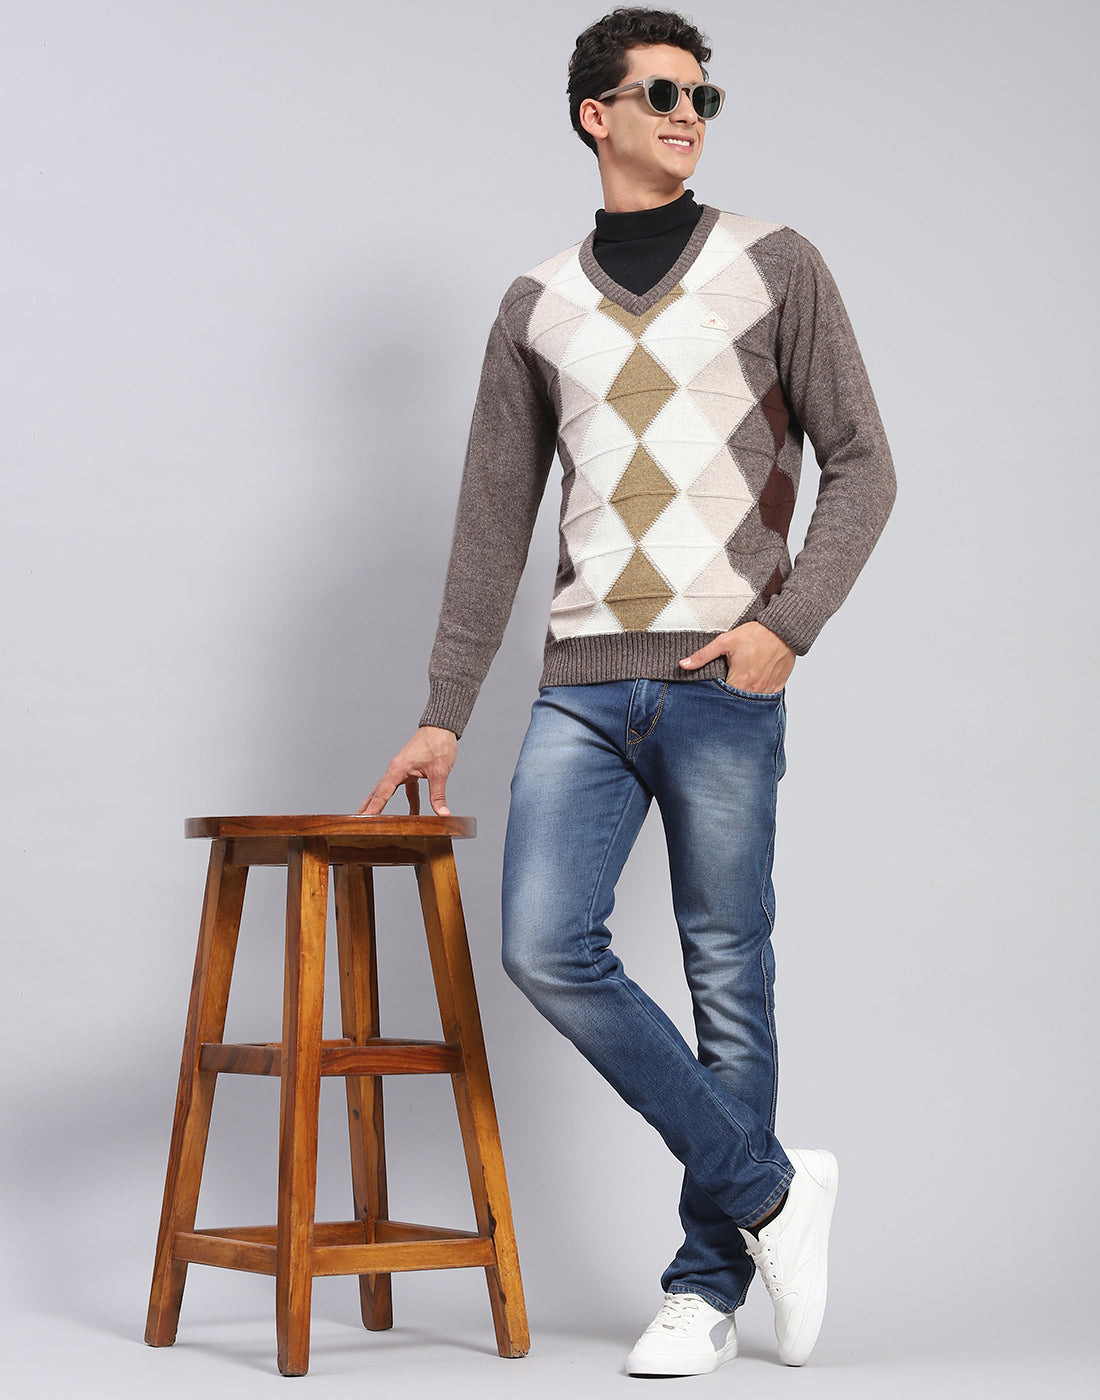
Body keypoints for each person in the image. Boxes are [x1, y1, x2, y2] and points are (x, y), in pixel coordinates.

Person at [361, 5, 895, 1377]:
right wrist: (442, 712)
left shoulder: (776, 264)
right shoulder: (535, 304)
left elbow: (863, 463)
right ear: (595, 113)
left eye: (704, 95)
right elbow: (492, 524)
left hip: (724, 679)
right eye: (662, 93)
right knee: (546, 945)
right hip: (582, 688)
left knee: (727, 975)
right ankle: (774, 1190)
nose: (689, 114)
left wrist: (791, 628)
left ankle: (705, 1289)